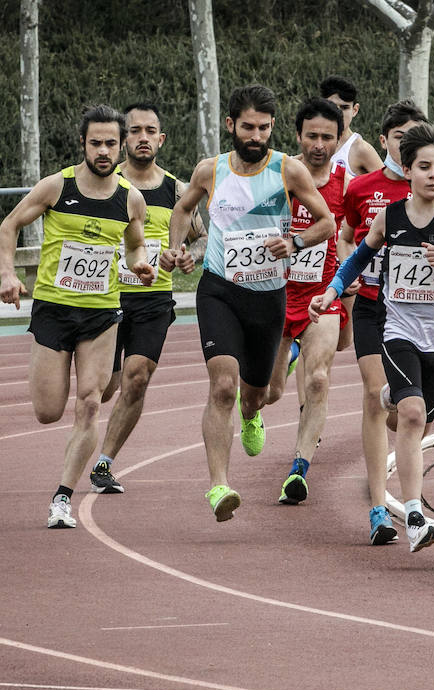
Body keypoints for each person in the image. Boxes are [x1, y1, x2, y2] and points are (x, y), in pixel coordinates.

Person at [161, 84, 335, 522]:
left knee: (257, 392)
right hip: (219, 288)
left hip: (268, 295)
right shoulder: (210, 170)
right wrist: (178, 247)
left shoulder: (288, 170)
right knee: (222, 384)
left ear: (272, 127)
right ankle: (219, 485)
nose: (255, 136)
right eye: (247, 127)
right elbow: (182, 211)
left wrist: (294, 241)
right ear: (230, 125)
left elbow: (327, 222)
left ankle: (251, 412)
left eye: (263, 128)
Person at [311, 122, 434, 553]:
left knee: (420, 417)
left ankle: (389, 397)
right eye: (425, 166)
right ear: (408, 170)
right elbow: (357, 260)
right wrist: (331, 291)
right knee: (412, 415)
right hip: (397, 327)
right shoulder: (392, 216)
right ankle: (414, 514)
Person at [0, 104, 153, 528]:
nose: (103, 150)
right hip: (53, 309)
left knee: (89, 404)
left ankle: (62, 498)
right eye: (95, 142)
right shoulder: (56, 187)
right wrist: (8, 274)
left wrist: (138, 263)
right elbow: (9, 225)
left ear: (121, 148)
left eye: (110, 143)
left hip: (102, 314)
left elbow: (135, 244)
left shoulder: (129, 198)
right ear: (83, 144)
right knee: (48, 411)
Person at [338, 100, 434, 544]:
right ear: (386, 142)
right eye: (402, 139)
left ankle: (398, 406)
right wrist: (344, 277)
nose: (411, 149)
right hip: (372, 305)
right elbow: (349, 237)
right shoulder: (363, 188)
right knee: (375, 394)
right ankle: (378, 509)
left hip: (423, 314)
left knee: (409, 413)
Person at [89, 102, 202, 494]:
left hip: (154, 300)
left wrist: (189, 255)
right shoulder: (106, 184)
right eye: (134, 131)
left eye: (149, 131)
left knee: (136, 379)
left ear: (161, 139)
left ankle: (103, 463)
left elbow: (200, 237)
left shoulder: (177, 190)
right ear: (123, 140)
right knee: (103, 388)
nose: (142, 138)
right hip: (107, 298)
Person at [262, 97, 349, 505]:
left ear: (338, 139)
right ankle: (251, 412)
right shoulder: (278, 174)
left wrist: (350, 276)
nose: (319, 144)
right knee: (269, 392)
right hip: (274, 294)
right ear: (297, 136)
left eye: (327, 137)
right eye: (311, 136)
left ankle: (299, 469)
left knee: (318, 379)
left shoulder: (347, 183)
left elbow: (354, 234)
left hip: (322, 295)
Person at [320, 75, 385, 177]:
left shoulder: (361, 149)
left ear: (355, 110)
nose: (338, 113)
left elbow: (389, 187)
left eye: (344, 107)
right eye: (332, 106)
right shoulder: (315, 144)